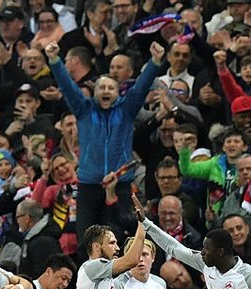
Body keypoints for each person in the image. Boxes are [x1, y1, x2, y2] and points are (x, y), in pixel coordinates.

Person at [44, 40, 164, 250]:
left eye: (110, 87)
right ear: (95, 92)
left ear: (118, 92)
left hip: (120, 185)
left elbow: (141, 87)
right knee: (86, 241)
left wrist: (154, 62)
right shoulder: (83, 109)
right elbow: (68, 87)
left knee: (117, 240)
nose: (106, 90)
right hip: (88, 185)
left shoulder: (127, 110)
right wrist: (54, 60)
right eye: (102, 87)